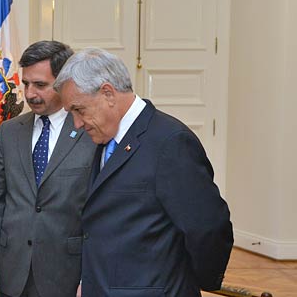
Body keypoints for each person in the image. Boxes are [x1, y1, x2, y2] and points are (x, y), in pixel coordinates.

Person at [53, 47, 233, 296]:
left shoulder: (170, 142)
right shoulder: (104, 139)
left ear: (108, 93)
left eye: (79, 110)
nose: (77, 123)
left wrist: (190, 281)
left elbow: (209, 227)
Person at [0, 41, 97, 297]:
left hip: (67, 273)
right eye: (26, 84)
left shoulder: (91, 133)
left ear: (65, 83)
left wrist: (92, 274)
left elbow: (100, 213)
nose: (30, 94)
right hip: (11, 271)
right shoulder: (9, 132)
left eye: (40, 85)